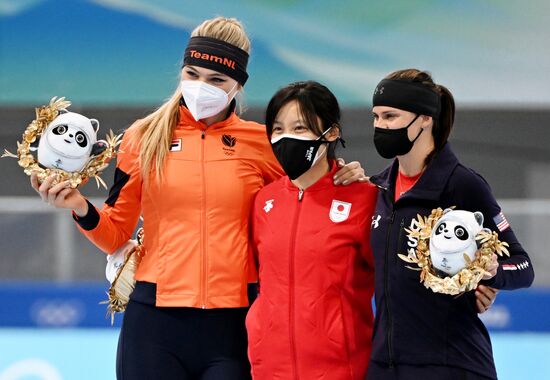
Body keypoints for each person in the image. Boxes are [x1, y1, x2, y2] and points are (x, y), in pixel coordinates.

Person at [30, 17, 365, 380]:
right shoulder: (143, 136)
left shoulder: (263, 142)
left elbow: (307, 191)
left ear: (237, 84)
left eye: (216, 80)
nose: (201, 86)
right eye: (192, 74)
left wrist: (344, 174)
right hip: (155, 324)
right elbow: (114, 233)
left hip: (232, 326)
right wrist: (79, 208)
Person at [366, 69, 535, 380]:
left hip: (451, 365)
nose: (380, 125)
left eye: (390, 116)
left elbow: (523, 266)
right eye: (376, 117)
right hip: (384, 368)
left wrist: (491, 274)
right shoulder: (377, 189)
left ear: (425, 118)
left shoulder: (462, 185)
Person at [246, 81, 378, 379]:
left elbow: (394, 284)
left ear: (331, 132)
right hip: (269, 369)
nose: (286, 138)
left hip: (343, 370)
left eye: (300, 128)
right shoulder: (263, 201)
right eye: (278, 129)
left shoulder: (364, 199)